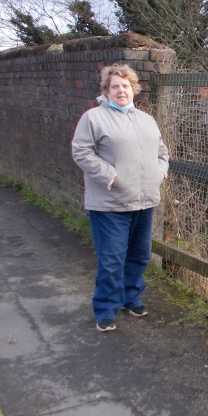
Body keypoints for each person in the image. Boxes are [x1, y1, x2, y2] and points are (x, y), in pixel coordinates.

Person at [72, 64, 169, 333]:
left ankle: (130, 298)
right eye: (115, 86)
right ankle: (105, 308)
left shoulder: (146, 120)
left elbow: (162, 151)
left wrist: (160, 172)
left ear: (134, 89)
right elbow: (82, 152)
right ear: (107, 90)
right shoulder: (93, 118)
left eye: (126, 86)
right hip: (109, 203)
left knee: (138, 256)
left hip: (144, 200)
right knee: (112, 259)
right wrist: (110, 177)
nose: (121, 90)